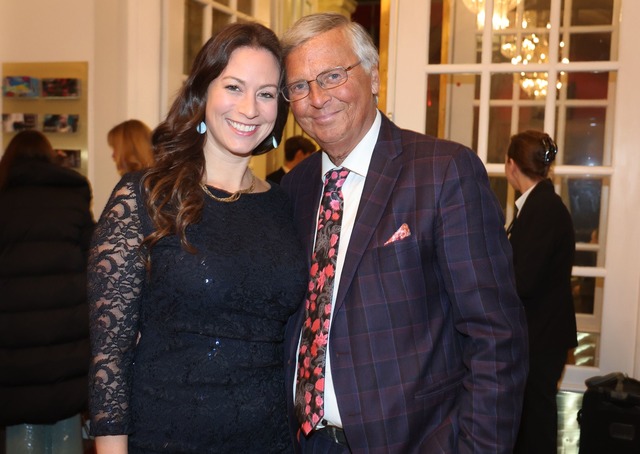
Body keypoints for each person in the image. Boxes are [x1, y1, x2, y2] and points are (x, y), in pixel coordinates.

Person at [280, 12, 529, 453]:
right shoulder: (296, 188)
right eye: (299, 86)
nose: (316, 98)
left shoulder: (442, 171)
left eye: (332, 76)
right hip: (306, 442)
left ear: (374, 77)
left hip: (415, 442)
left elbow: (495, 337)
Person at [87, 22, 307, 453]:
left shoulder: (284, 206)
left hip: (272, 441)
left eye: (265, 94)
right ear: (203, 92)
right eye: (234, 87)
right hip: (168, 439)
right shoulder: (145, 196)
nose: (249, 108)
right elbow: (108, 361)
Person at [0, 130, 94, 453]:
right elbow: (92, 262)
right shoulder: (72, 195)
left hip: (12, 339)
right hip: (67, 335)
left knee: (21, 424)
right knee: (66, 421)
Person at [505, 130, 578, 454]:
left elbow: (524, 281)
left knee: (536, 423)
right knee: (531, 418)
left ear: (511, 166)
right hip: (540, 334)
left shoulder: (543, 208)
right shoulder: (538, 204)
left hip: (541, 337)